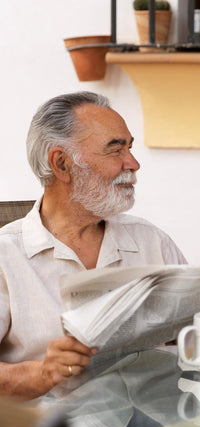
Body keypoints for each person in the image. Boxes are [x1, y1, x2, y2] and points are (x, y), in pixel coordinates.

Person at [0, 92, 188, 400]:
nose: (134, 163)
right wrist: (43, 373)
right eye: (115, 150)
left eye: (130, 147)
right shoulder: (6, 256)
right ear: (61, 164)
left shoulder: (150, 241)